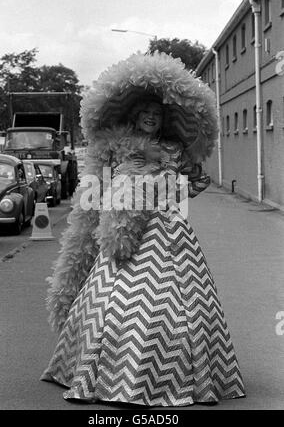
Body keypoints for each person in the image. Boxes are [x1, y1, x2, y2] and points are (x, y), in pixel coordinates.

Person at [41, 52, 245, 407]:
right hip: (122, 235)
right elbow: (94, 191)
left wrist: (177, 183)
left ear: (162, 120)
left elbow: (195, 186)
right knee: (115, 302)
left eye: (157, 115)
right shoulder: (115, 147)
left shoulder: (174, 149)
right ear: (135, 116)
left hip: (169, 233)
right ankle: (101, 372)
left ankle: (174, 375)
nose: (151, 119)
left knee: (178, 304)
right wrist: (125, 178)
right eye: (146, 114)